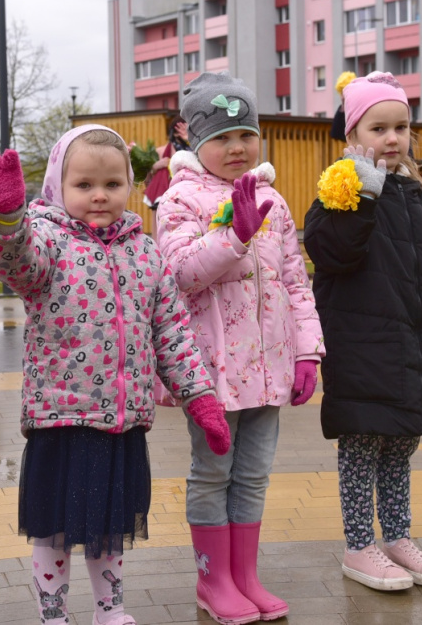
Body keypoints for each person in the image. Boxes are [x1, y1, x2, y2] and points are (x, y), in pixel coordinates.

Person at [0, 125, 231, 625]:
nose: (99, 195)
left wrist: (200, 397)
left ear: (130, 185)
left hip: (122, 422)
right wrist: (9, 219)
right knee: (54, 527)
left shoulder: (146, 252)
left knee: (110, 526)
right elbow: (16, 264)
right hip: (61, 417)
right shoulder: (47, 241)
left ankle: (110, 609)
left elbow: (172, 331)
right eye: (83, 185)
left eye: (112, 183)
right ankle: (54, 614)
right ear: (58, 187)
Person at [155, 72, 325, 624]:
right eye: (222, 137)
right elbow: (181, 273)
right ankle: (214, 580)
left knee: (253, 474)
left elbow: (295, 280)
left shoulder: (273, 198)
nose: (236, 147)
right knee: (213, 473)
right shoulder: (177, 200)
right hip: (212, 374)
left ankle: (245, 576)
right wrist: (233, 236)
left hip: (269, 368)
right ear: (194, 139)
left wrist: (307, 350)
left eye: (246, 135)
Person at [304, 71, 422, 592]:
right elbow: (331, 252)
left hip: (410, 352)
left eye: (401, 127)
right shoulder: (339, 193)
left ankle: (397, 537)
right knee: (361, 450)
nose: (393, 138)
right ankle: (359, 545)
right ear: (353, 135)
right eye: (378, 129)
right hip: (361, 350)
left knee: (400, 448)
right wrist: (364, 194)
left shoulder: (421, 203)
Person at [142, 116, 190, 210]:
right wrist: (155, 167)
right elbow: (147, 180)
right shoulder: (161, 151)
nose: (186, 132)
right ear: (175, 133)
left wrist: (189, 140)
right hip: (164, 194)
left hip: (187, 194)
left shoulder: (194, 149)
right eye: (183, 129)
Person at [330, 71, 356, 142]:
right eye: (341, 92)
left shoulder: (357, 108)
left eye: (344, 92)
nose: (342, 96)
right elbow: (335, 133)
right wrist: (343, 106)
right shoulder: (341, 110)